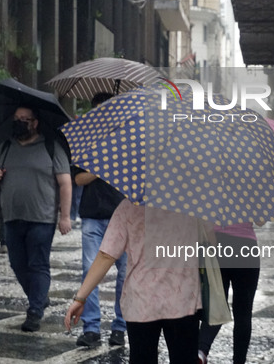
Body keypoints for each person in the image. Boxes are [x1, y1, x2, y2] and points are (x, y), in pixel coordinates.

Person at [65, 200, 209, 363]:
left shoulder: (129, 206)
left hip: (141, 300)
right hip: (183, 298)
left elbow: (107, 254)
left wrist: (81, 297)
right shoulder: (193, 206)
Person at [0, 106, 72, 332]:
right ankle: (39, 295)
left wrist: (65, 216)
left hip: (42, 218)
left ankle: (35, 310)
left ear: (35, 122)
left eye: (25, 119)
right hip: (12, 216)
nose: (20, 122)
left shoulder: (51, 147)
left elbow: (65, 183)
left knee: (38, 264)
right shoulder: (6, 147)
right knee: (17, 264)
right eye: (17, 119)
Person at [72, 92, 127, 347]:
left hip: (123, 215)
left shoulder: (128, 139)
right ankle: (91, 328)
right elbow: (78, 179)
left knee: (125, 274)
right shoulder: (85, 142)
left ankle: (120, 327)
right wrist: (98, 167)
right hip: (93, 216)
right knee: (89, 271)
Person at [198, 222, 261, 364]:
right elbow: (261, 221)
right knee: (243, 312)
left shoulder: (212, 198)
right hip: (247, 247)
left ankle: (201, 350)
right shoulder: (252, 198)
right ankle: (239, 361)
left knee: (216, 303)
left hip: (219, 244)